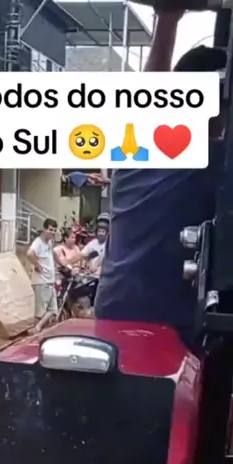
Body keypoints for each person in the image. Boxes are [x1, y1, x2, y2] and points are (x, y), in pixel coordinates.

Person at [94, 8, 226, 351]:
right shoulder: (212, 161)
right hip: (172, 323)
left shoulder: (134, 152)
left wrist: (168, 19)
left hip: (116, 309)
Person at [26, 218, 58, 322]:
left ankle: (39, 328)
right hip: (41, 282)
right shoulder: (38, 242)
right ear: (44, 229)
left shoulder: (49, 242)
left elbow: (52, 255)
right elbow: (29, 254)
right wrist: (37, 264)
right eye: (50, 229)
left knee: (53, 310)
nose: (52, 232)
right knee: (40, 313)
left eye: (54, 230)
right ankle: (36, 329)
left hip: (49, 281)